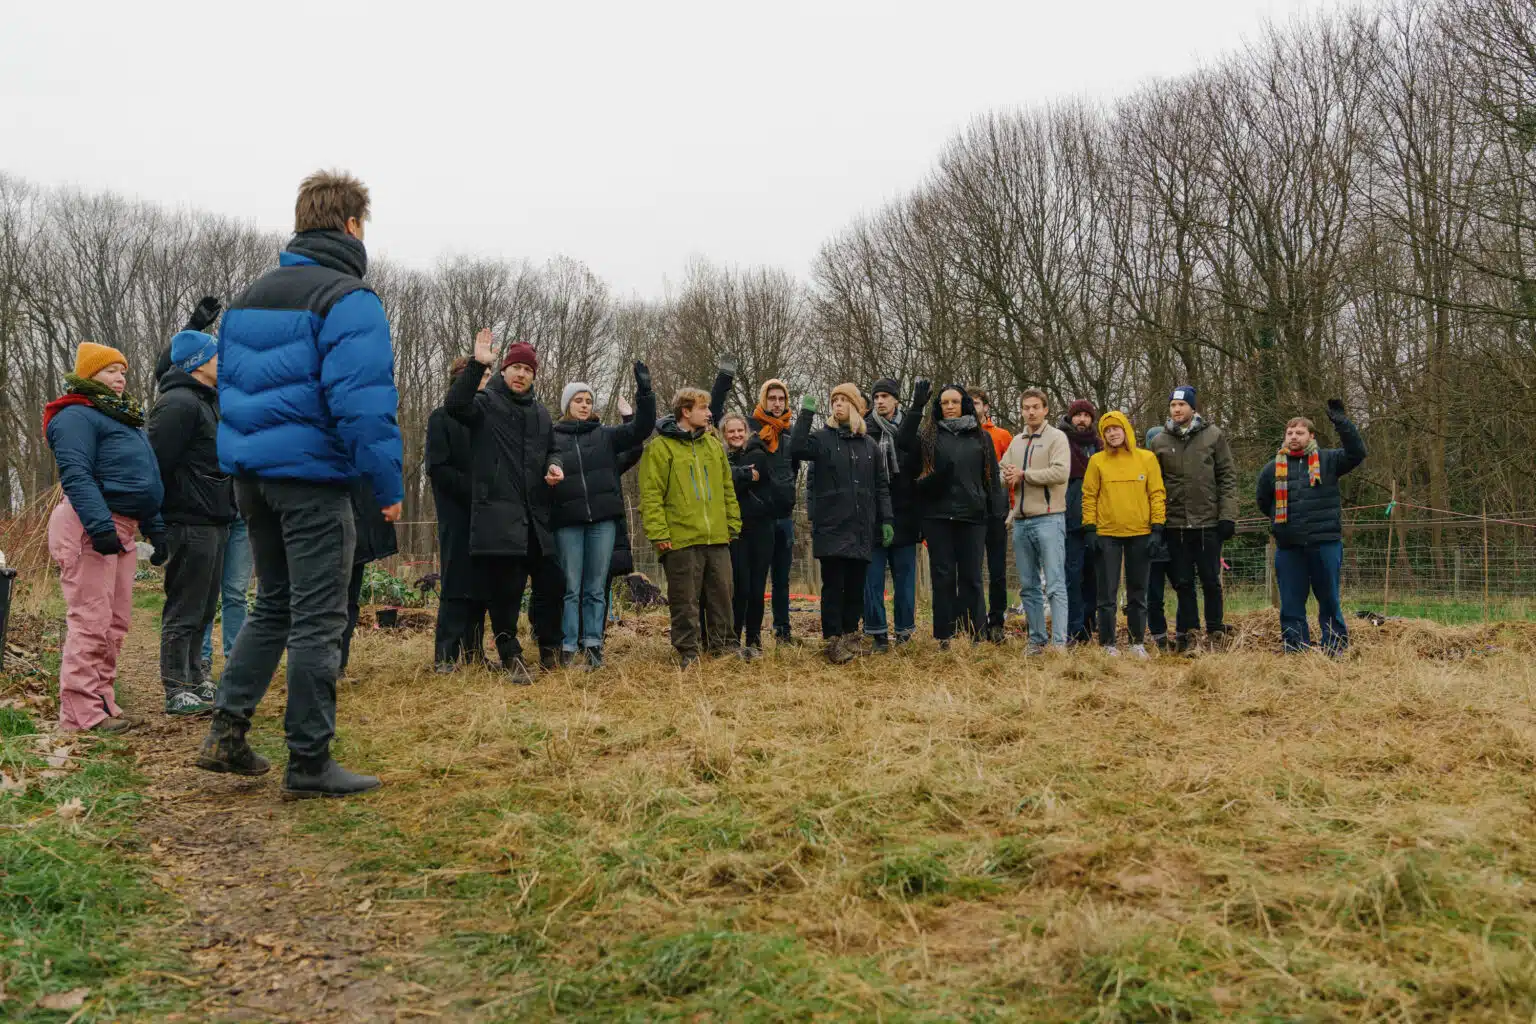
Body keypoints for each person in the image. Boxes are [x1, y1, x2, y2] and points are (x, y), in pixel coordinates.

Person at [196, 170, 403, 800]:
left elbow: (233, 388)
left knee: (275, 605)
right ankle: (309, 761)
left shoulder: (249, 297)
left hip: (251, 478)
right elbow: (362, 404)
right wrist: (386, 483)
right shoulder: (349, 298)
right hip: (312, 480)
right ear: (352, 225)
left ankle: (227, 733)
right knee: (319, 616)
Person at [44, 343, 167, 734]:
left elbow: (141, 480)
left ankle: (102, 702)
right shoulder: (74, 415)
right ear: (89, 374)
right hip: (89, 526)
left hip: (123, 528)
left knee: (115, 622)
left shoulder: (124, 420)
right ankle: (79, 715)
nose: (120, 378)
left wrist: (156, 527)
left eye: (123, 371)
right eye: (111, 371)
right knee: (91, 621)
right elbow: (76, 474)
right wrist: (99, 527)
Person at [445, 330, 565, 683]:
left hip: (536, 518)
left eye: (528, 370)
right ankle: (510, 655)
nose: (521, 374)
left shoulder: (541, 413)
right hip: (499, 517)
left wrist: (554, 465)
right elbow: (455, 405)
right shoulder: (485, 403)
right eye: (516, 368)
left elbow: (553, 448)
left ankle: (550, 649)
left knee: (552, 582)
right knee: (506, 592)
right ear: (503, 370)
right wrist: (477, 364)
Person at [148, 327, 234, 715]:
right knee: (184, 607)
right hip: (187, 520)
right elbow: (155, 465)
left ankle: (197, 676)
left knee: (204, 607)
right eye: (215, 356)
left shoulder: (207, 401)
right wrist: (158, 519)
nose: (222, 362)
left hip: (215, 519)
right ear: (197, 364)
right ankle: (176, 686)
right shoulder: (178, 404)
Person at [551, 362, 655, 669]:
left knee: (596, 588)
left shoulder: (605, 436)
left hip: (603, 523)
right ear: (567, 405)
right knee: (571, 587)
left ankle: (594, 645)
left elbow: (640, 431)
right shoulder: (552, 439)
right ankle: (568, 646)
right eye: (578, 400)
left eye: (588, 400)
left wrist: (645, 393)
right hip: (567, 522)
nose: (584, 405)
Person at [638, 387, 740, 667]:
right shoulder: (660, 448)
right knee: (685, 599)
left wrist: (732, 523)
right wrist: (658, 533)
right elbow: (651, 494)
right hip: (679, 539)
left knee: (722, 595)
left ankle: (722, 647)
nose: (709, 413)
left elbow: (727, 488)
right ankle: (689, 651)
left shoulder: (714, 446)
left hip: (717, 537)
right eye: (703, 408)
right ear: (686, 411)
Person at [792, 385, 893, 664]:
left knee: (856, 585)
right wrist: (805, 415)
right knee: (834, 587)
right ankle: (833, 640)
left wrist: (886, 519)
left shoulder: (869, 445)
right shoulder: (822, 439)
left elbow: (881, 486)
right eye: (834, 400)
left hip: (861, 527)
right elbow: (796, 448)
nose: (837, 404)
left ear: (856, 407)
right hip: (832, 526)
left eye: (843, 400)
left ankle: (851, 635)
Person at [1256, 400, 1367, 653]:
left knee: (1329, 599)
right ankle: (1295, 647)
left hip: (1325, 543)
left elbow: (1357, 453)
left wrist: (1343, 424)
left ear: (1311, 436)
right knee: (1291, 603)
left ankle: (1335, 646)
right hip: (1289, 546)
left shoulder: (1329, 461)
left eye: (1300, 432)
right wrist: (1279, 523)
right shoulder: (1272, 469)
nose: (1294, 437)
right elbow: (1263, 501)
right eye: (1290, 433)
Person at [899, 381, 1004, 648]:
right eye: (944, 402)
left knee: (972, 577)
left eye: (954, 402)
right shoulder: (928, 436)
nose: (949, 406)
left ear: (964, 404)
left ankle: (975, 633)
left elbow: (992, 480)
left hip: (973, 516)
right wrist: (916, 407)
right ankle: (945, 636)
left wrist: (995, 516)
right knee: (943, 576)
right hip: (937, 516)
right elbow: (903, 443)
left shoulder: (981, 437)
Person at [1148, 386, 1238, 652]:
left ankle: (1215, 632)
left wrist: (1227, 515)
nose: (1177, 410)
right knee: (1183, 583)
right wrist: (1157, 522)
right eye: (1173, 406)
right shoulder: (1159, 442)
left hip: (1208, 523)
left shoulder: (1214, 436)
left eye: (1182, 405)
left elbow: (1227, 477)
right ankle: (1190, 636)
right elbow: (1153, 486)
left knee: (1211, 581)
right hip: (1175, 524)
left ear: (1192, 408)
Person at [1081, 411, 1165, 658]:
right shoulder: (1097, 461)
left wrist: (1157, 527)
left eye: (1116, 429)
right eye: (1107, 430)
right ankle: (1108, 643)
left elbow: (1156, 493)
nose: (1112, 433)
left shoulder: (1147, 459)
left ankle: (1137, 642)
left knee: (1138, 591)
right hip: (1107, 534)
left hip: (1141, 533)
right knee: (1106, 592)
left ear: (1125, 430)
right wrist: (1090, 528)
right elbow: (1089, 496)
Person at [427, 358, 490, 671]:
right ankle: (446, 655)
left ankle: (475, 652)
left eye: (489, 374)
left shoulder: (488, 419)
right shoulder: (441, 417)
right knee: (455, 583)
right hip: (455, 512)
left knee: (481, 584)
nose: (485, 378)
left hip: (487, 515)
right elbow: (438, 468)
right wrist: (475, 490)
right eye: (480, 374)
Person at [999, 389, 1070, 652]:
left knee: (1054, 584)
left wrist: (1024, 475)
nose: (1031, 412)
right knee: (1028, 586)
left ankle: (1059, 643)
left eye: (1036, 407)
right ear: (1021, 411)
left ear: (1045, 409)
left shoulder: (1057, 438)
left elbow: (1061, 473)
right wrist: (1007, 476)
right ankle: (1036, 640)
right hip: (1020, 521)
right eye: (1026, 407)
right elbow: (1002, 471)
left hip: (1049, 519)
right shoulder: (1017, 441)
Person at [863, 378, 919, 652]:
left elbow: (918, 471)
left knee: (905, 581)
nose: (880, 401)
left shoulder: (910, 429)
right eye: (876, 397)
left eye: (885, 396)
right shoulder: (865, 429)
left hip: (906, 515)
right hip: (873, 517)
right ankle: (878, 635)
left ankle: (905, 632)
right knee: (872, 581)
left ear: (896, 399)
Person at [750, 377, 802, 646]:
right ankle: (753, 634)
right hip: (760, 518)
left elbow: (794, 470)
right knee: (756, 579)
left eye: (781, 399)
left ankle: (783, 631)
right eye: (772, 398)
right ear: (764, 400)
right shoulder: (752, 432)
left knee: (781, 580)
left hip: (784, 517)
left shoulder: (791, 436)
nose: (777, 403)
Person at [721, 412, 775, 657]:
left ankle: (754, 639)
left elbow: (737, 482)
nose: (736, 435)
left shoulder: (758, 454)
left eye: (739, 430)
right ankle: (733, 638)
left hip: (761, 528)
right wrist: (740, 475)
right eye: (731, 431)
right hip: (735, 530)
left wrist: (735, 476)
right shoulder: (722, 458)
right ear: (724, 435)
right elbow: (727, 483)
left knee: (756, 587)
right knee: (739, 586)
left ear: (747, 431)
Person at [338, 481, 398, 677]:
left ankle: (337, 667)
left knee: (349, 601)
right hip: (333, 520)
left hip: (357, 527)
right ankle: (320, 670)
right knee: (332, 602)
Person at [970, 390, 1013, 643]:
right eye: (969, 402)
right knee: (971, 570)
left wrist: (1011, 506)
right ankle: (975, 623)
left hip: (997, 508)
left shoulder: (1002, 436)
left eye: (976, 402)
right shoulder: (959, 435)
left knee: (997, 569)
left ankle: (997, 622)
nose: (972, 406)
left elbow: (1011, 473)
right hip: (971, 509)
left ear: (986, 407)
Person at [1058, 399, 1100, 645]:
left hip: (1097, 522)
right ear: (1070, 417)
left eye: (1086, 415)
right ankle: (1073, 630)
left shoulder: (1098, 445)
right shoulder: (1060, 441)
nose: (1082, 420)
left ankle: (1088, 627)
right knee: (1072, 577)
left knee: (1093, 576)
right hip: (1069, 520)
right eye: (1078, 415)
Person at [1143, 425, 1173, 648]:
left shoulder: (1176, 472)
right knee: (1153, 593)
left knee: (1184, 586)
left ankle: (1185, 632)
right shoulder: (1142, 473)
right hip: (1149, 538)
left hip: (1175, 537)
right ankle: (1159, 636)